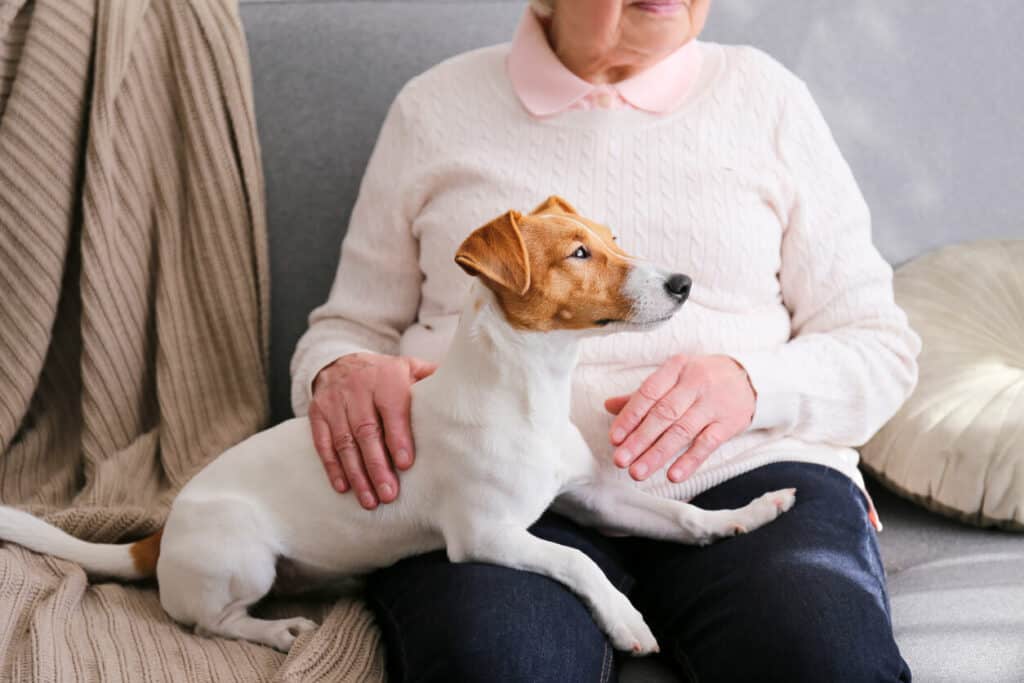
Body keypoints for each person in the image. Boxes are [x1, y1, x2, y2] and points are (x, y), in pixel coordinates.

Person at [290, 1, 919, 680]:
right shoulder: (433, 108)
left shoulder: (768, 101)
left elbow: (877, 345)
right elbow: (349, 328)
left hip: (748, 474)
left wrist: (752, 385)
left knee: (828, 662)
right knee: (497, 665)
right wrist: (343, 371)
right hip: (493, 494)